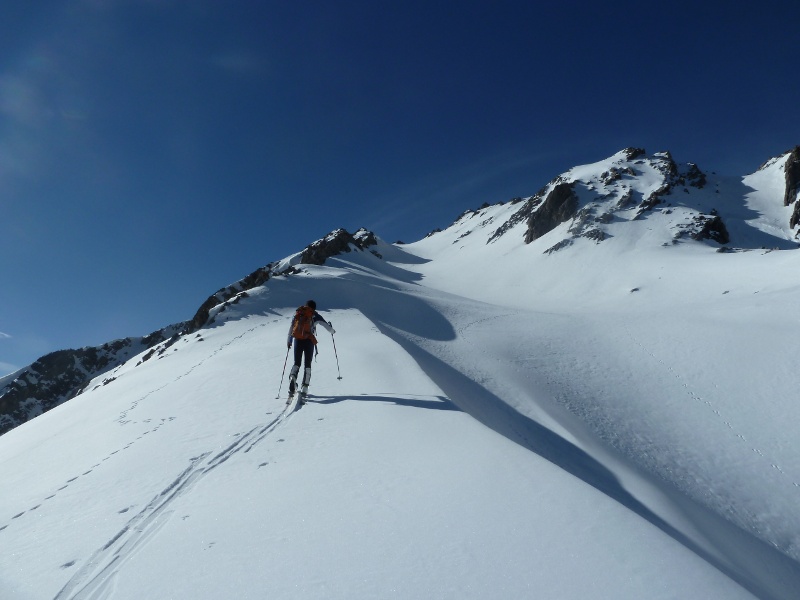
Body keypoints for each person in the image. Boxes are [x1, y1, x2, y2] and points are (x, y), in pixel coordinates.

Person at [287, 300, 334, 398]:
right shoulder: (315, 315)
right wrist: (332, 330)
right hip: (309, 341)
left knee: (297, 362)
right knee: (307, 364)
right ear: (314, 308)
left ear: (306, 305)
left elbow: (292, 327)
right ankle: (305, 387)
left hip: (297, 340)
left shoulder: (299, 313)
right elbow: (327, 327)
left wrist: (289, 340)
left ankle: (293, 377)